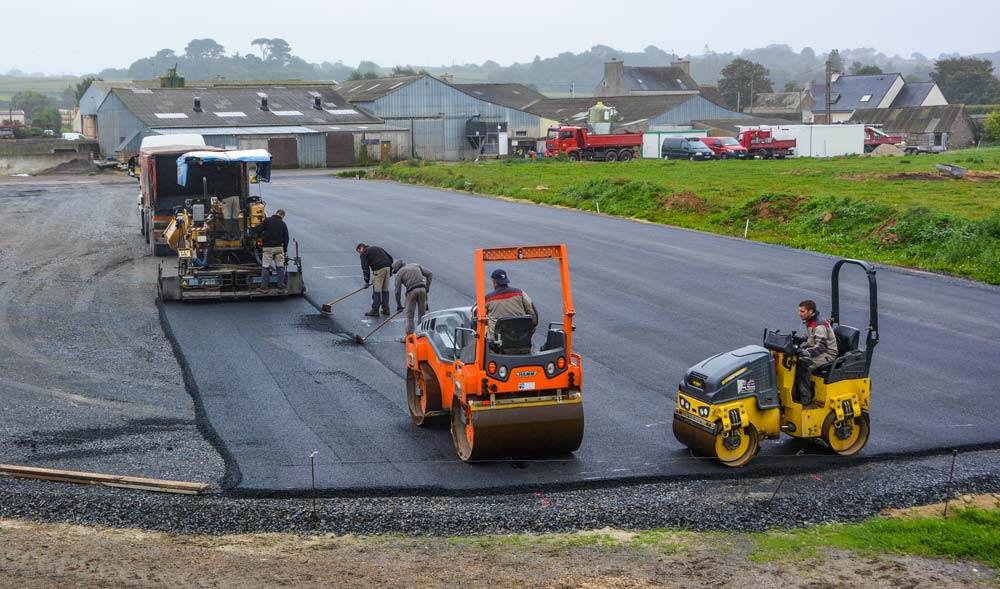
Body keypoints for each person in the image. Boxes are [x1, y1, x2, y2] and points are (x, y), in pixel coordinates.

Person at [795, 299, 838, 404]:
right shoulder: (811, 322)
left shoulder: (819, 325)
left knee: (803, 365)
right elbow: (811, 336)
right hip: (817, 350)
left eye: (802, 311)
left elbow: (821, 347)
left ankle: (805, 397)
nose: (799, 314)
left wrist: (806, 353)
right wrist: (800, 338)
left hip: (827, 353)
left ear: (810, 311)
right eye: (799, 311)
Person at [484, 268, 537, 341]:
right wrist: (530, 329)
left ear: (493, 281)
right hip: (521, 336)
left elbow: (477, 317)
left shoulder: (488, 298)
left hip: (497, 340)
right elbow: (534, 315)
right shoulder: (520, 293)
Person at [392, 259, 433, 337]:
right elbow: (430, 273)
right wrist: (427, 287)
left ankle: (410, 337)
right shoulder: (416, 265)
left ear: (397, 268)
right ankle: (421, 335)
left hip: (412, 291)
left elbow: (397, 291)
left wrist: (399, 305)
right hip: (423, 290)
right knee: (422, 315)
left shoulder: (399, 273)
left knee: (409, 316)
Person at [255, 209, 289, 290]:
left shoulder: (267, 221)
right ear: (282, 215)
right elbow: (286, 238)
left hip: (268, 248)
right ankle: (281, 286)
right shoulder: (283, 224)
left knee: (265, 267)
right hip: (278, 248)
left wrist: (259, 238)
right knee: (280, 267)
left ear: (276, 213)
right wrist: (285, 249)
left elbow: (258, 230)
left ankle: (264, 287)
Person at [357, 243, 393, 317]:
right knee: (385, 290)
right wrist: (390, 270)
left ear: (361, 248)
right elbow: (391, 258)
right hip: (387, 268)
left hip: (379, 270)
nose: (359, 253)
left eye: (359, 251)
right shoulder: (378, 247)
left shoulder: (364, 253)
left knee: (377, 290)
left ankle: (375, 311)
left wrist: (366, 281)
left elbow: (365, 268)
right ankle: (386, 309)